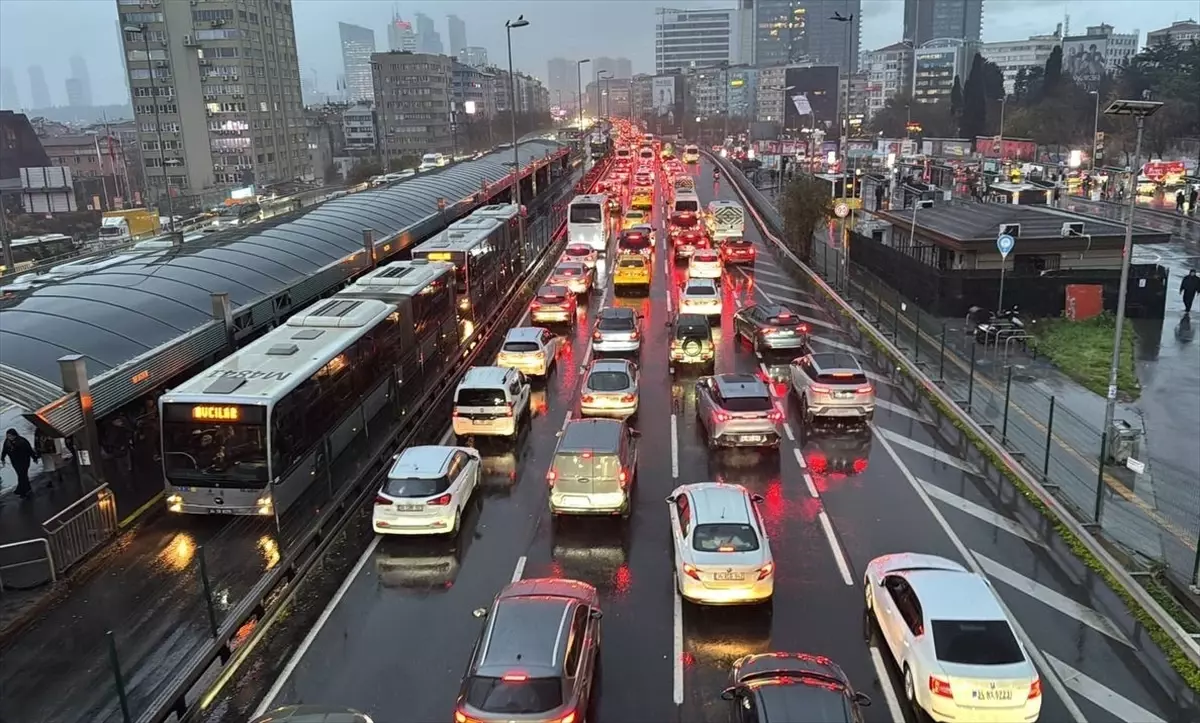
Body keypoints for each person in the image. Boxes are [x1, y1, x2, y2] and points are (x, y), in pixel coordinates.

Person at [1, 428, 36, 498]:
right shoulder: (7, 442)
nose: (9, 437)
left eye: (10, 436)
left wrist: (34, 457)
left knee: (22, 475)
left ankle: (21, 491)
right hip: (15, 462)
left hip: (24, 461)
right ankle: (27, 488)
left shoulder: (22, 441)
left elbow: (29, 449)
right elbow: (4, 450)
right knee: (22, 475)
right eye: (8, 436)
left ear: (15, 435)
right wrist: (2, 458)